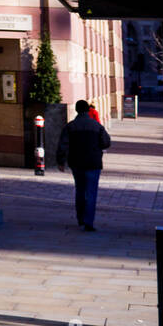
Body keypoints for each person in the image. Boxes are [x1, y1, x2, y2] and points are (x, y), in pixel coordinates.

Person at [56, 99, 112, 231]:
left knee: (80, 190)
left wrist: (60, 161)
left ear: (76, 110)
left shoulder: (70, 126)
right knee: (91, 192)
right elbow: (106, 143)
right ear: (88, 110)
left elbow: (63, 145)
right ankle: (89, 222)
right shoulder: (97, 126)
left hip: (76, 163)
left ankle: (80, 218)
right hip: (93, 163)